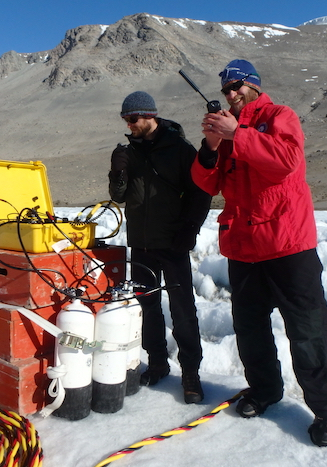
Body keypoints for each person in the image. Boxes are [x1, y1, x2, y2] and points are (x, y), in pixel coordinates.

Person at [190, 60, 327, 446]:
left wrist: (237, 132)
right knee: (250, 329)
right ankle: (264, 391)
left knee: (309, 331)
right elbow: (207, 183)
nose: (231, 94)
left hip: (287, 244)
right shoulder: (228, 130)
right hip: (243, 248)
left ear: (255, 86)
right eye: (226, 89)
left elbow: (286, 162)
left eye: (238, 86)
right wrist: (211, 146)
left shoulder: (280, 116)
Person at [108, 91, 211, 404]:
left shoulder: (179, 149)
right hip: (140, 244)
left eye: (133, 118)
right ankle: (157, 363)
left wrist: (189, 232)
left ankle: (190, 373)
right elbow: (118, 196)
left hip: (173, 243)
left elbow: (202, 193)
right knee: (147, 306)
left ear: (149, 115)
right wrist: (117, 170)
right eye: (126, 119)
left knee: (182, 309)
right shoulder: (130, 151)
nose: (129, 124)